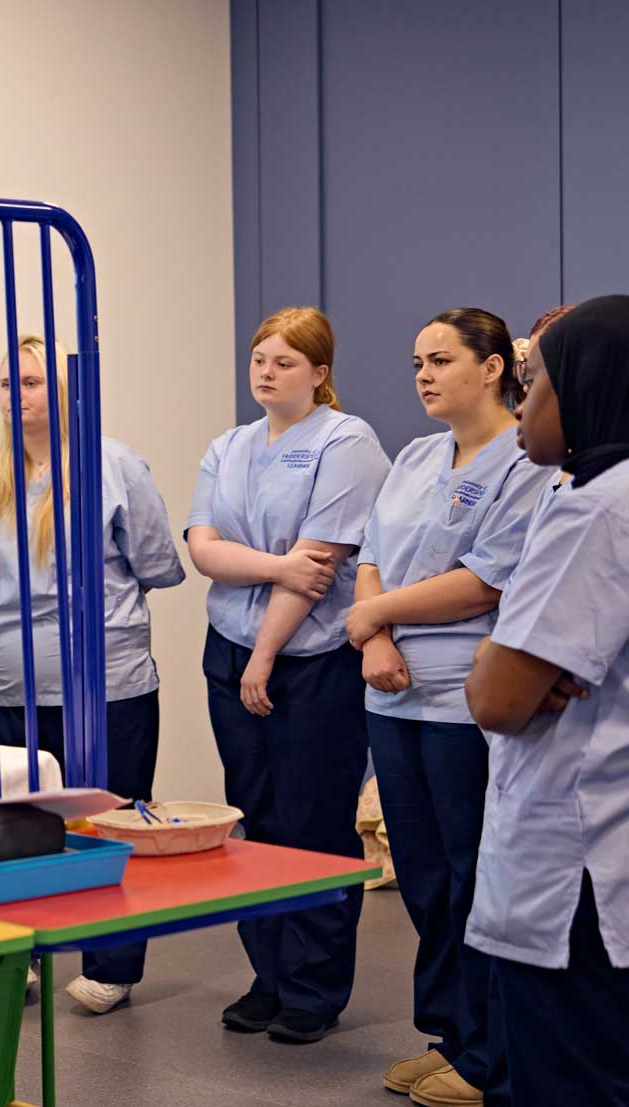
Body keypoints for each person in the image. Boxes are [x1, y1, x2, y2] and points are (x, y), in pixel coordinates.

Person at [344, 309, 551, 1107]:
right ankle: (450, 1033)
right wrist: (372, 635)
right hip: (390, 686)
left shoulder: (525, 461)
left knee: (471, 877)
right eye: (417, 363)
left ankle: (489, 1053)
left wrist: (374, 615)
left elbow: (485, 580)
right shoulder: (416, 455)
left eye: (441, 360)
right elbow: (369, 556)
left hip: (465, 699)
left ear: (493, 367)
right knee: (424, 878)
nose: (424, 376)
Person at [0, 336, 186, 1015]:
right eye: (6, 384)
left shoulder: (115, 466)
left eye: (30, 382)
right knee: (5, 827)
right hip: (0, 683)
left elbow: (156, 564)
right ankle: (16, 953)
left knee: (109, 825)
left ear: (63, 393)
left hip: (103, 686)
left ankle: (112, 963)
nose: (15, 396)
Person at [186, 306, 391, 1044]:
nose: (267, 373)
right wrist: (277, 564)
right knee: (256, 819)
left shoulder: (347, 442)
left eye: (285, 362)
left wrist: (266, 654)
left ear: (319, 373)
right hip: (228, 652)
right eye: (259, 360)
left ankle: (313, 987)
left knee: (312, 824)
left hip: (310, 662)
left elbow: (321, 566)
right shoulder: (230, 445)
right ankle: (268, 977)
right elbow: (203, 549)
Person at [463, 295, 629, 1107]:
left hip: (578, 865)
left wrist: (499, 651)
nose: (522, 405)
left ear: (593, 390)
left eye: (539, 384)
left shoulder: (594, 508)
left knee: (573, 1105)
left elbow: (495, 698)